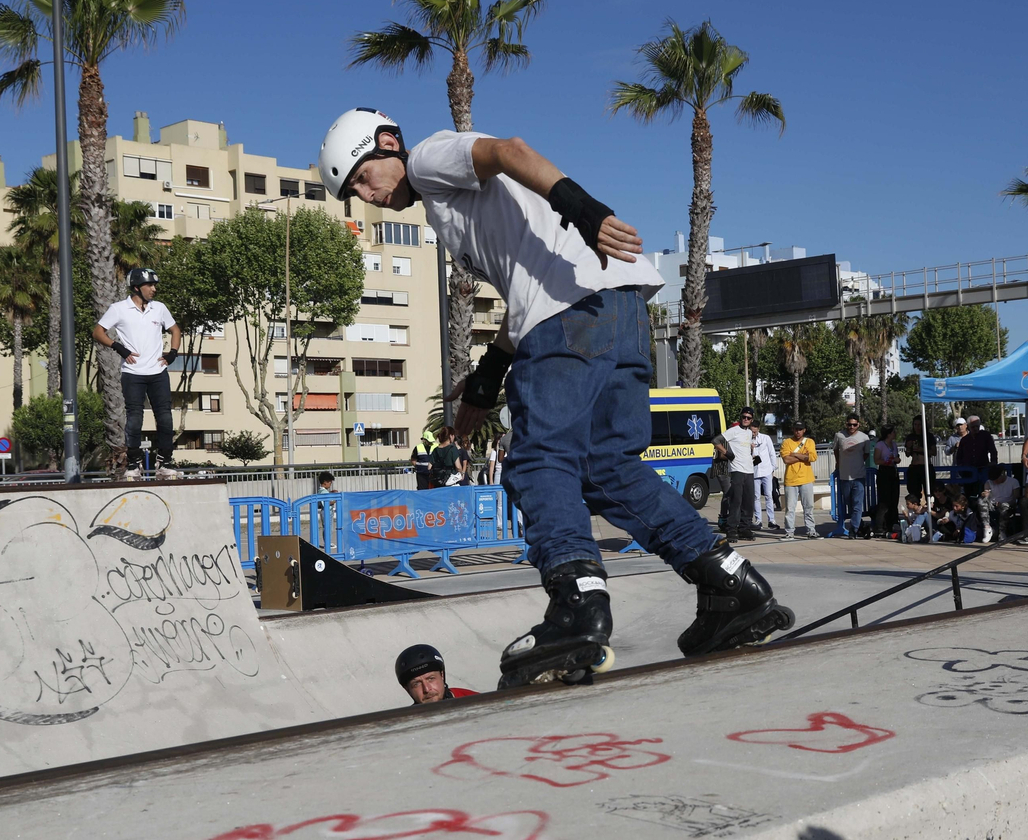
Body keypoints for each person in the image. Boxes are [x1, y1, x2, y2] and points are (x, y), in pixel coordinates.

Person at [319, 109, 793, 685]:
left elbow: (508, 150)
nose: (368, 197)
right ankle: (730, 584)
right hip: (620, 313)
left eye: (364, 178)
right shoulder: (451, 212)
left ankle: (577, 603)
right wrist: (489, 376)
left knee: (542, 462)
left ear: (388, 144)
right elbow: (528, 293)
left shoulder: (428, 159)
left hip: (568, 317)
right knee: (608, 469)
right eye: (354, 193)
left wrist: (583, 208)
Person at [93, 267, 182, 479]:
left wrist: (172, 354)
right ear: (136, 287)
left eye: (154, 285)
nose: (154, 289)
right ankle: (134, 464)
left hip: (158, 372)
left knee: (165, 418)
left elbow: (175, 330)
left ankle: (165, 462)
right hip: (133, 373)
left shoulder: (159, 308)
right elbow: (98, 332)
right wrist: (118, 347)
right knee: (134, 420)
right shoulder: (119, 309)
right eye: (150, 285)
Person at [395, 644, 477, 705]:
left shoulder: (474, 700)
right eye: (416, 684)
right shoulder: (406, 723)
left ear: (442, 676)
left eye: (431, 679)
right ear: (407, 689)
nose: (426, 689)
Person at [721, 410, 758, 541]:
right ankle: (731, 529)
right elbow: (715, 440)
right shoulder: (734, 430)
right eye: (744, 417)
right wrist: (727, 453)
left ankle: (744, 528)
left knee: (748, 501)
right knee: (736, 501)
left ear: (752, 420)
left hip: (749, 470)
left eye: (748, 418)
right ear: (741, 417)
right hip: (737, 470)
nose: (746, 419)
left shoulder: (749, 433)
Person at [831, 415, 870, 538]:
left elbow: (866, 453)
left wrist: (858, 462)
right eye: (849, 424)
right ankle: (860, 524)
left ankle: (853, 529)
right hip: (844, 476)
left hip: (858, 475)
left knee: (858, 504)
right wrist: (839, 463)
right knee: (849, 504)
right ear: (846, 424)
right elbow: (836, 450)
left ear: (858, 425)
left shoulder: (864, 437)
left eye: (854, 425)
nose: (851, 427)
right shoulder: (839, 435)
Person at [954, 415, 997, 527]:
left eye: (977, 426)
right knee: (969, 497)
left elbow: (993, 451)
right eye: (973, 427)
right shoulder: (964, 440)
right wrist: (962, 469)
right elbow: (959, 457)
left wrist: (993, 463)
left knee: (984, 496)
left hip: (983, 470)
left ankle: (987, 522)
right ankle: (971, 522)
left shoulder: (986, 436)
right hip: (969, 472)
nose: (976, 429)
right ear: (968, 427)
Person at [779, 422, 818, 538]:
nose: (798, 431)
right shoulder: (786, 442)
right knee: (790, 508)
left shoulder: (809, 442)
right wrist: (803, 456)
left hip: (806, 479)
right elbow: (786, 460)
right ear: (793, 429)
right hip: (791, 480)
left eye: (800, 429)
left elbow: (812, 457)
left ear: (804, 430)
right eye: (796, 429)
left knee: (809, 507)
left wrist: (794, 454)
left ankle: (811, 530)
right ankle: (789, 531)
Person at [873, 426, 902, 536]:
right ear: (888, 434)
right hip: (884, 472)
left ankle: (892, 523)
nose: (895, 433)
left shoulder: (894, 444)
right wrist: (886, 460)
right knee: (884, 501)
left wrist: (897, 459)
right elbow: (876, 460)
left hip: (893, 471)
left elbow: (897, 456)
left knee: (894, 499)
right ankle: (879, 526)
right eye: (893, 432)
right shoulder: (880, 445)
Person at [751, 423, 779, 532]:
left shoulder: (765, 438)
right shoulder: (747, 440)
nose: (753, 433)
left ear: (758, 429)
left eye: (755, 431)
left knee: (769, 495)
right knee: (756, 496)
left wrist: (773, 468)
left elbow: (772, 452)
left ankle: (771, 520)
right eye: (751, 431)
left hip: (766, 470)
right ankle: (758, 520)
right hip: (754, 471)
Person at [903, 416, 936, 504]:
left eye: (919, 425)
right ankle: (915, 510)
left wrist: (921, 449)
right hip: (914, 466)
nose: (917, 427)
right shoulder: (910, 437)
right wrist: (909, 447)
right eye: (915, 424)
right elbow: (907, 454)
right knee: (913, 492)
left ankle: (930, 509)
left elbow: (934, 452)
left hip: (926, 466)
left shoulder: (928, 436)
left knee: (930, 490)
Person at [986, 465, 1023, 542]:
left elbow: (1016, 498)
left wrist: (1003, 503)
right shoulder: (989, 482)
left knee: (1004, 506)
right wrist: (985, 495)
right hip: (992, 503)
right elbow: (986, 494)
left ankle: (1002, 532)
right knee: (981, 503)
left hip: (1007, 504)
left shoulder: (1013, 482)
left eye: (996, 479)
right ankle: (986, 528)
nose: (995, 482)